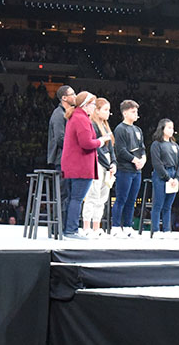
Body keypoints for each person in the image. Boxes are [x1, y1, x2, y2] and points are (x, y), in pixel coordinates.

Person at [60, 92, 111, 238]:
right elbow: (87, 143)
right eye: (93, 104)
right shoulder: (81, 119)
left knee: (73, 198)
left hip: (73, 165)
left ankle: (69, 228)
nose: (94, 107)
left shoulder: (75, 116)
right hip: (81, 166)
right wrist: (101, 141)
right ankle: (72, 230)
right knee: (77, 198)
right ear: (85, 105)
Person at [111, 99, 146, 237]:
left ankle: (127, 226)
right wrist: (135, 159)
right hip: (125, 169)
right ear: (125, 113)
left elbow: (142, 148)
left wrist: (143, 159)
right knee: (121, 198)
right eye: (133, 111)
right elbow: (120, 150)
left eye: (136, 111)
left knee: (132, 200)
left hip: (137, 170)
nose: (136, 113)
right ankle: (115, 227)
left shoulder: (138, 129)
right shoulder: (120, 129)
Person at [82, 97, 117, 237]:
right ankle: (86, 227)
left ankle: (96, 226)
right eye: (105, 110)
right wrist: (108, 164)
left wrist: (114, 163)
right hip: (97, 162)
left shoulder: (106, 126)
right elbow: (97, 148)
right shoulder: (93, 125)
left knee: (103, 196)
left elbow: (111, 148)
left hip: (108, 162)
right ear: (97, 110)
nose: (108, 113)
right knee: (93, 194)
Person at [149, 118, 179, 239]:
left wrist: (177, 178)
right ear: (162, 128)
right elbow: (157, 163)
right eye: (169, 127)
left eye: (172, 128)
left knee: (168, 205)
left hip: (173, 174)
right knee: (158, 204)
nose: (171, 130)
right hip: (161, 175)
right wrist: (167, 178)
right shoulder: (157, 144)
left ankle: (167, 230)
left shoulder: (175, 145)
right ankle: (156, 230)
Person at [47, 84, 76, 220]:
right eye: (72, 94)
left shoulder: (67, 113)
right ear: (64, 98)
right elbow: (60, 138)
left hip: (67, 158)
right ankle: (59, 225)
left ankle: (64, 225)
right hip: (61, 159)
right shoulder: (59, 114)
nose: (75, 96)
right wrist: (75, 150)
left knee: (68, 192)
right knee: (64, 193)